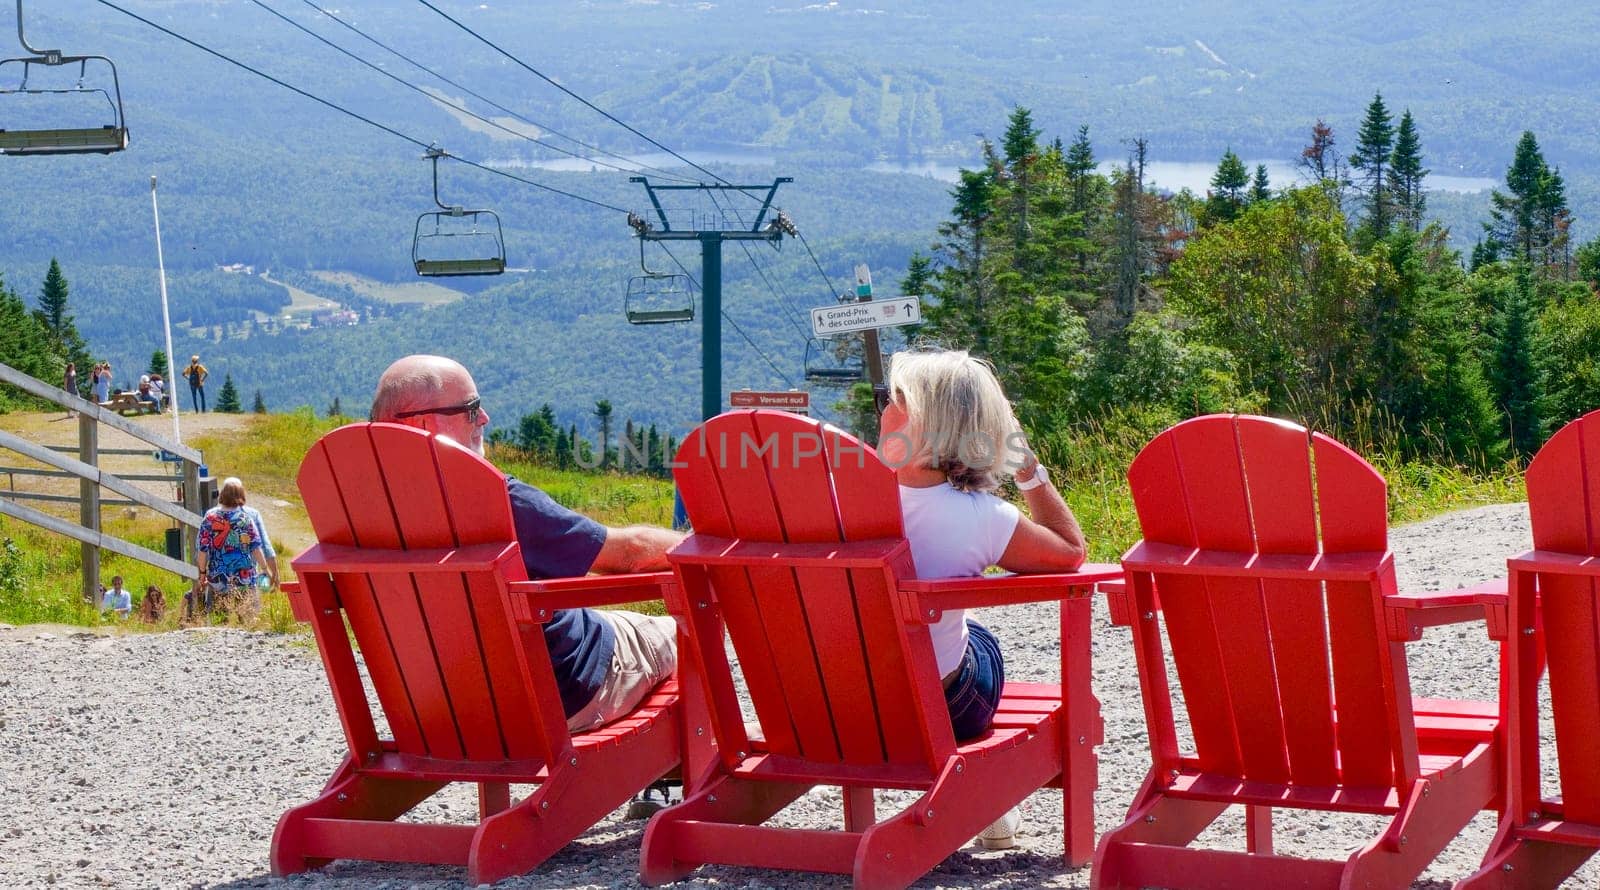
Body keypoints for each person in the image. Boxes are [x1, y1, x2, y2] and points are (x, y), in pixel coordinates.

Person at [371, 354, 684, 733]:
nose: (484, 418)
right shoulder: (499, 501)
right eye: (471, 409)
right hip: (558, 692)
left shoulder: (356, 506)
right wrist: (694, 545)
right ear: (422, 423)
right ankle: (706, 757)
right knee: (681, 629)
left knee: (623, 622)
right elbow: (629, 556)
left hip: (439, 710)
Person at [877, 348, 1087, 849]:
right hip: (942, 707)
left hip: (833, 704)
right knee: (979, 640)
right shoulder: (983, 517)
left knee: (966, 637)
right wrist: (1027, 468)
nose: (883, 409)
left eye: (894, 399)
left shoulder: (830, 501)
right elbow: (1071, 551)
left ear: (928, 422)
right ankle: (992, 798)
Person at [193, 477, 271, 621]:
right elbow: (255, 548)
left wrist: (202, 573)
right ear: (241, 495)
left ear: (222, 495)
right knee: (248, 620)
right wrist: (265, 569)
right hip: (245, 578)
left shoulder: (210, 518)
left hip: (218, 579)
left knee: (220, 620)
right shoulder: (246, 519)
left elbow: (202, 550)